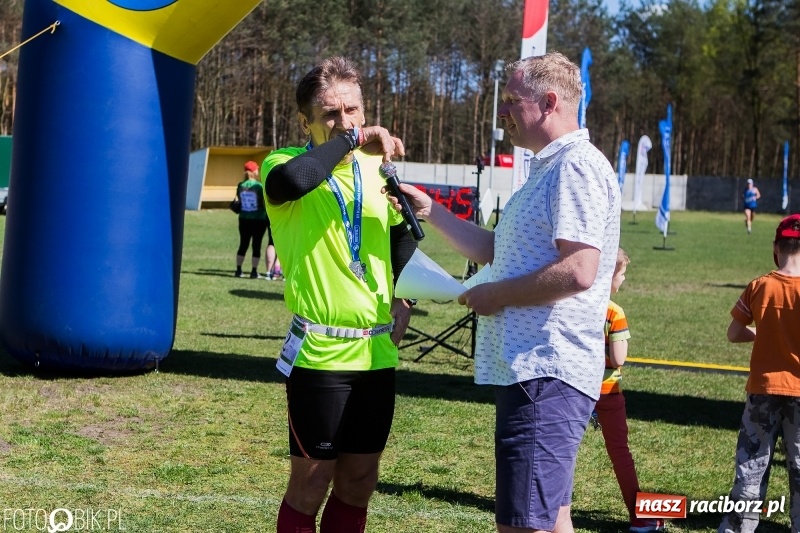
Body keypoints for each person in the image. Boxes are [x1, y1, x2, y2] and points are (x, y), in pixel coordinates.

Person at [387, 51, 621, 533]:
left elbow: (580, 270)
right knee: (552, 518)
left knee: (523, 524)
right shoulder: (548, 168)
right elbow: (499, 249)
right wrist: (432, 211)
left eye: (513, 100)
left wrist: (499, 296)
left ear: (550, 102)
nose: (502, 112)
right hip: (536, 370)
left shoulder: (574, 167)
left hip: (546, 370)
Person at [261, 56, 418, 533]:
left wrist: (403, 297)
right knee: (311, 484)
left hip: (376, 352)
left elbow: (401, 237)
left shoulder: (376, 170)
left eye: (354, 110)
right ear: (305, 120)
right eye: (330, 113)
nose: (346, 121)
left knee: (359, 482)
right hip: (321, 353)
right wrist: (355, 139)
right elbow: (293, 183)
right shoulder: (284, 163)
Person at [718, 214, 800, 533]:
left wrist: (761, 333)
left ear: (776, 248)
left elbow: (734, 333)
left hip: (762, 391)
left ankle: (738, 527)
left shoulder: (759, 286)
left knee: (751, 465)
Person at [595, 249, 664, 533]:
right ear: (610, 275)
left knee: (563, 452)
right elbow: (618, 358)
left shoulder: (577, 304)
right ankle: (639, 517)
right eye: (622, 274)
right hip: (607, 392)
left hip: (574, 389)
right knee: (620, 452)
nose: (623, 279)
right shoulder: (615, 312)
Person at [235, 161, 269, 278]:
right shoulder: (259, 186)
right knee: (256, 245)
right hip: (259, 219)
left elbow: (239, 200)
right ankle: (254, 271)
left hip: (243, 218)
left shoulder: (241, 185)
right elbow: (264, 203)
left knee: (243, 244)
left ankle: (238, 270)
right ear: (254, 171)